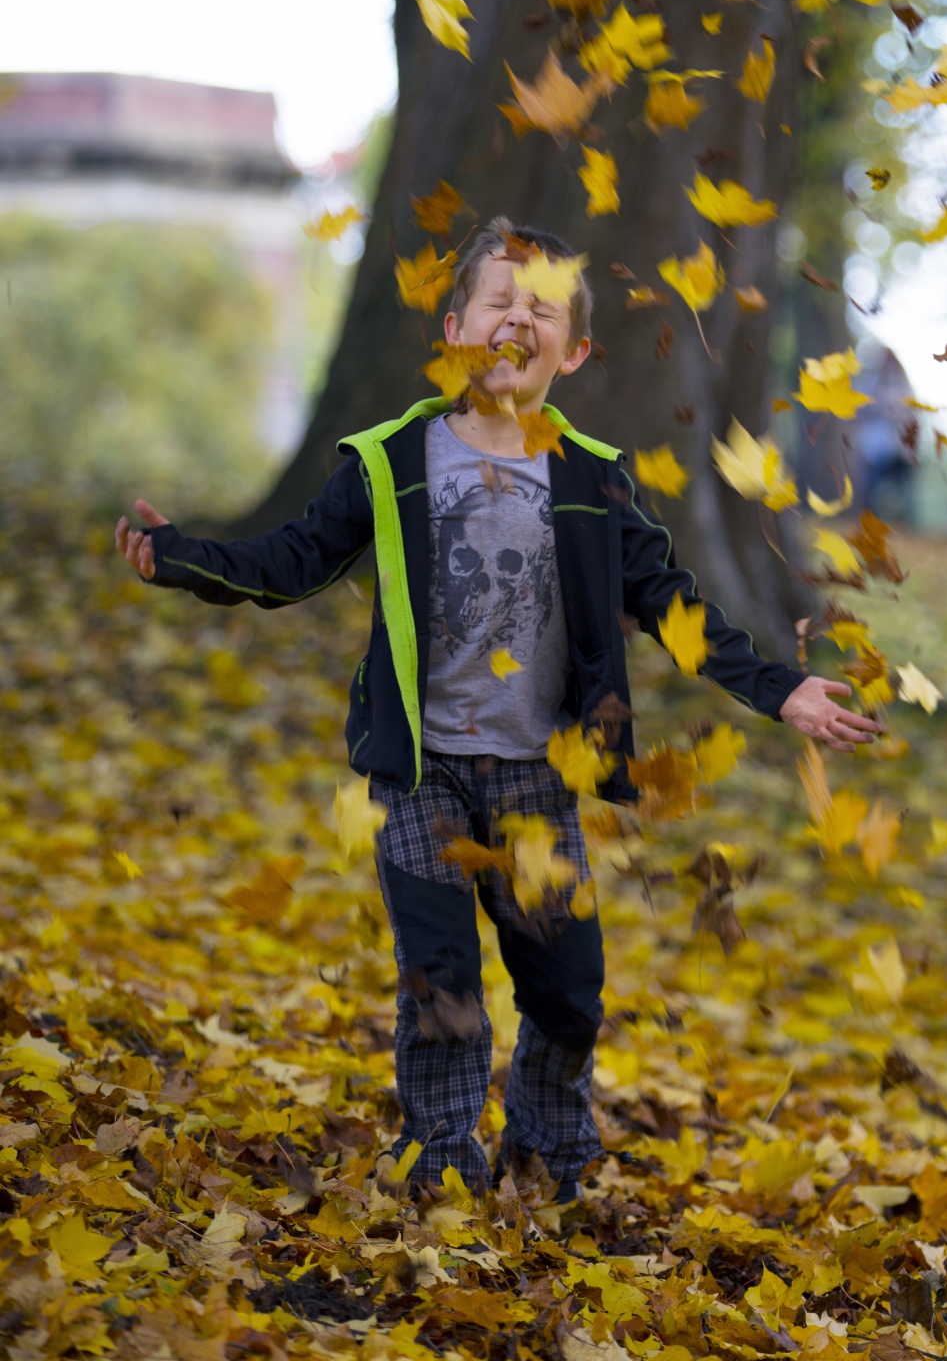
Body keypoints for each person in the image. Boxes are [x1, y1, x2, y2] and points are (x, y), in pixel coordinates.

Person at [115, 218, 880, 1206]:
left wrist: (780, 689)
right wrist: (184, 558)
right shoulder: (389, 461)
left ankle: (546, 1150)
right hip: (420, 772)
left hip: (535, 778)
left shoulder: (593, 479)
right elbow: (289, 562)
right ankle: (438, 1162)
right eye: (499, 302)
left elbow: (673, 606)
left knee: (566, 993)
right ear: (454, 330)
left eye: (543, 309)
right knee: (442, 992)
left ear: (577, 350)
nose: (519, 319)